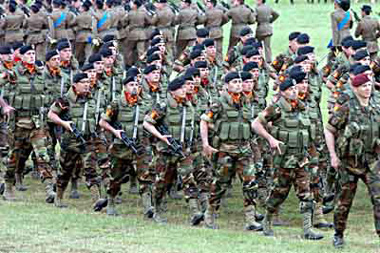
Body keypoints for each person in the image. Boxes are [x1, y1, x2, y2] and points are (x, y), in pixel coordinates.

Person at [252, 78, 324, 240]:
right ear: (283, 92)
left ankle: (307, 229)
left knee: (306, 194)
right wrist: (270, 138)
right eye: (290, 89)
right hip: (283, 160)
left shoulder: (302, 108)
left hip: (302, 159)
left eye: (295, 88)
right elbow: (255, 124)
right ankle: (267, 221)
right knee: (279, 193)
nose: (294, 91)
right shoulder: (276, 109)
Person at [200, 72, 262, 231]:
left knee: (250, 183)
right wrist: (206, 144)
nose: (239, 84)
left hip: (244, 150)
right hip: (225, 151)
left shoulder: (246, 102)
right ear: (227, 85)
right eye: (234, 82)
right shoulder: (218, 103)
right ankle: (210, 213)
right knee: (220, 183)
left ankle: (250, 219)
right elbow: (204, 121)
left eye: (240, 82)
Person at [324, 73, 380, 248]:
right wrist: (333, 155)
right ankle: (338, 234)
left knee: (379, 198)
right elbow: (329, 129)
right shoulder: (346, 108)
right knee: (344, 201)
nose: (367, 89)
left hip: (372, 161)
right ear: (355, 88)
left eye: (369, 85)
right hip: (349, 162)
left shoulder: (377, 105)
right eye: (363, 86)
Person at [143, 77, 202, 225]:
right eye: (181, 88)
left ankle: (195, 211)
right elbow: (147, 123)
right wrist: (161, 137)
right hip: (165, 152)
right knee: (161, 182)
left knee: (189, 179)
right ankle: (156, 209)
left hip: (183, 150)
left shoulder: (188, 105)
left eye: (185, 88)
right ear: (173, 91)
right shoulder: (163, 105)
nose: (185, 90)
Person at [47, 73, 102, 208]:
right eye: (83, 82)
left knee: (90, 169)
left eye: (88, 82)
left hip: (87, 140)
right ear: (75, 84)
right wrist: (64, 124)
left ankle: (97, 199)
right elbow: (51, 114)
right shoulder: (65, 100)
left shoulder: (92, 99)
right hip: (70, 141)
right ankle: (58, 198)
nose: (86, 85)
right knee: (65, 171)